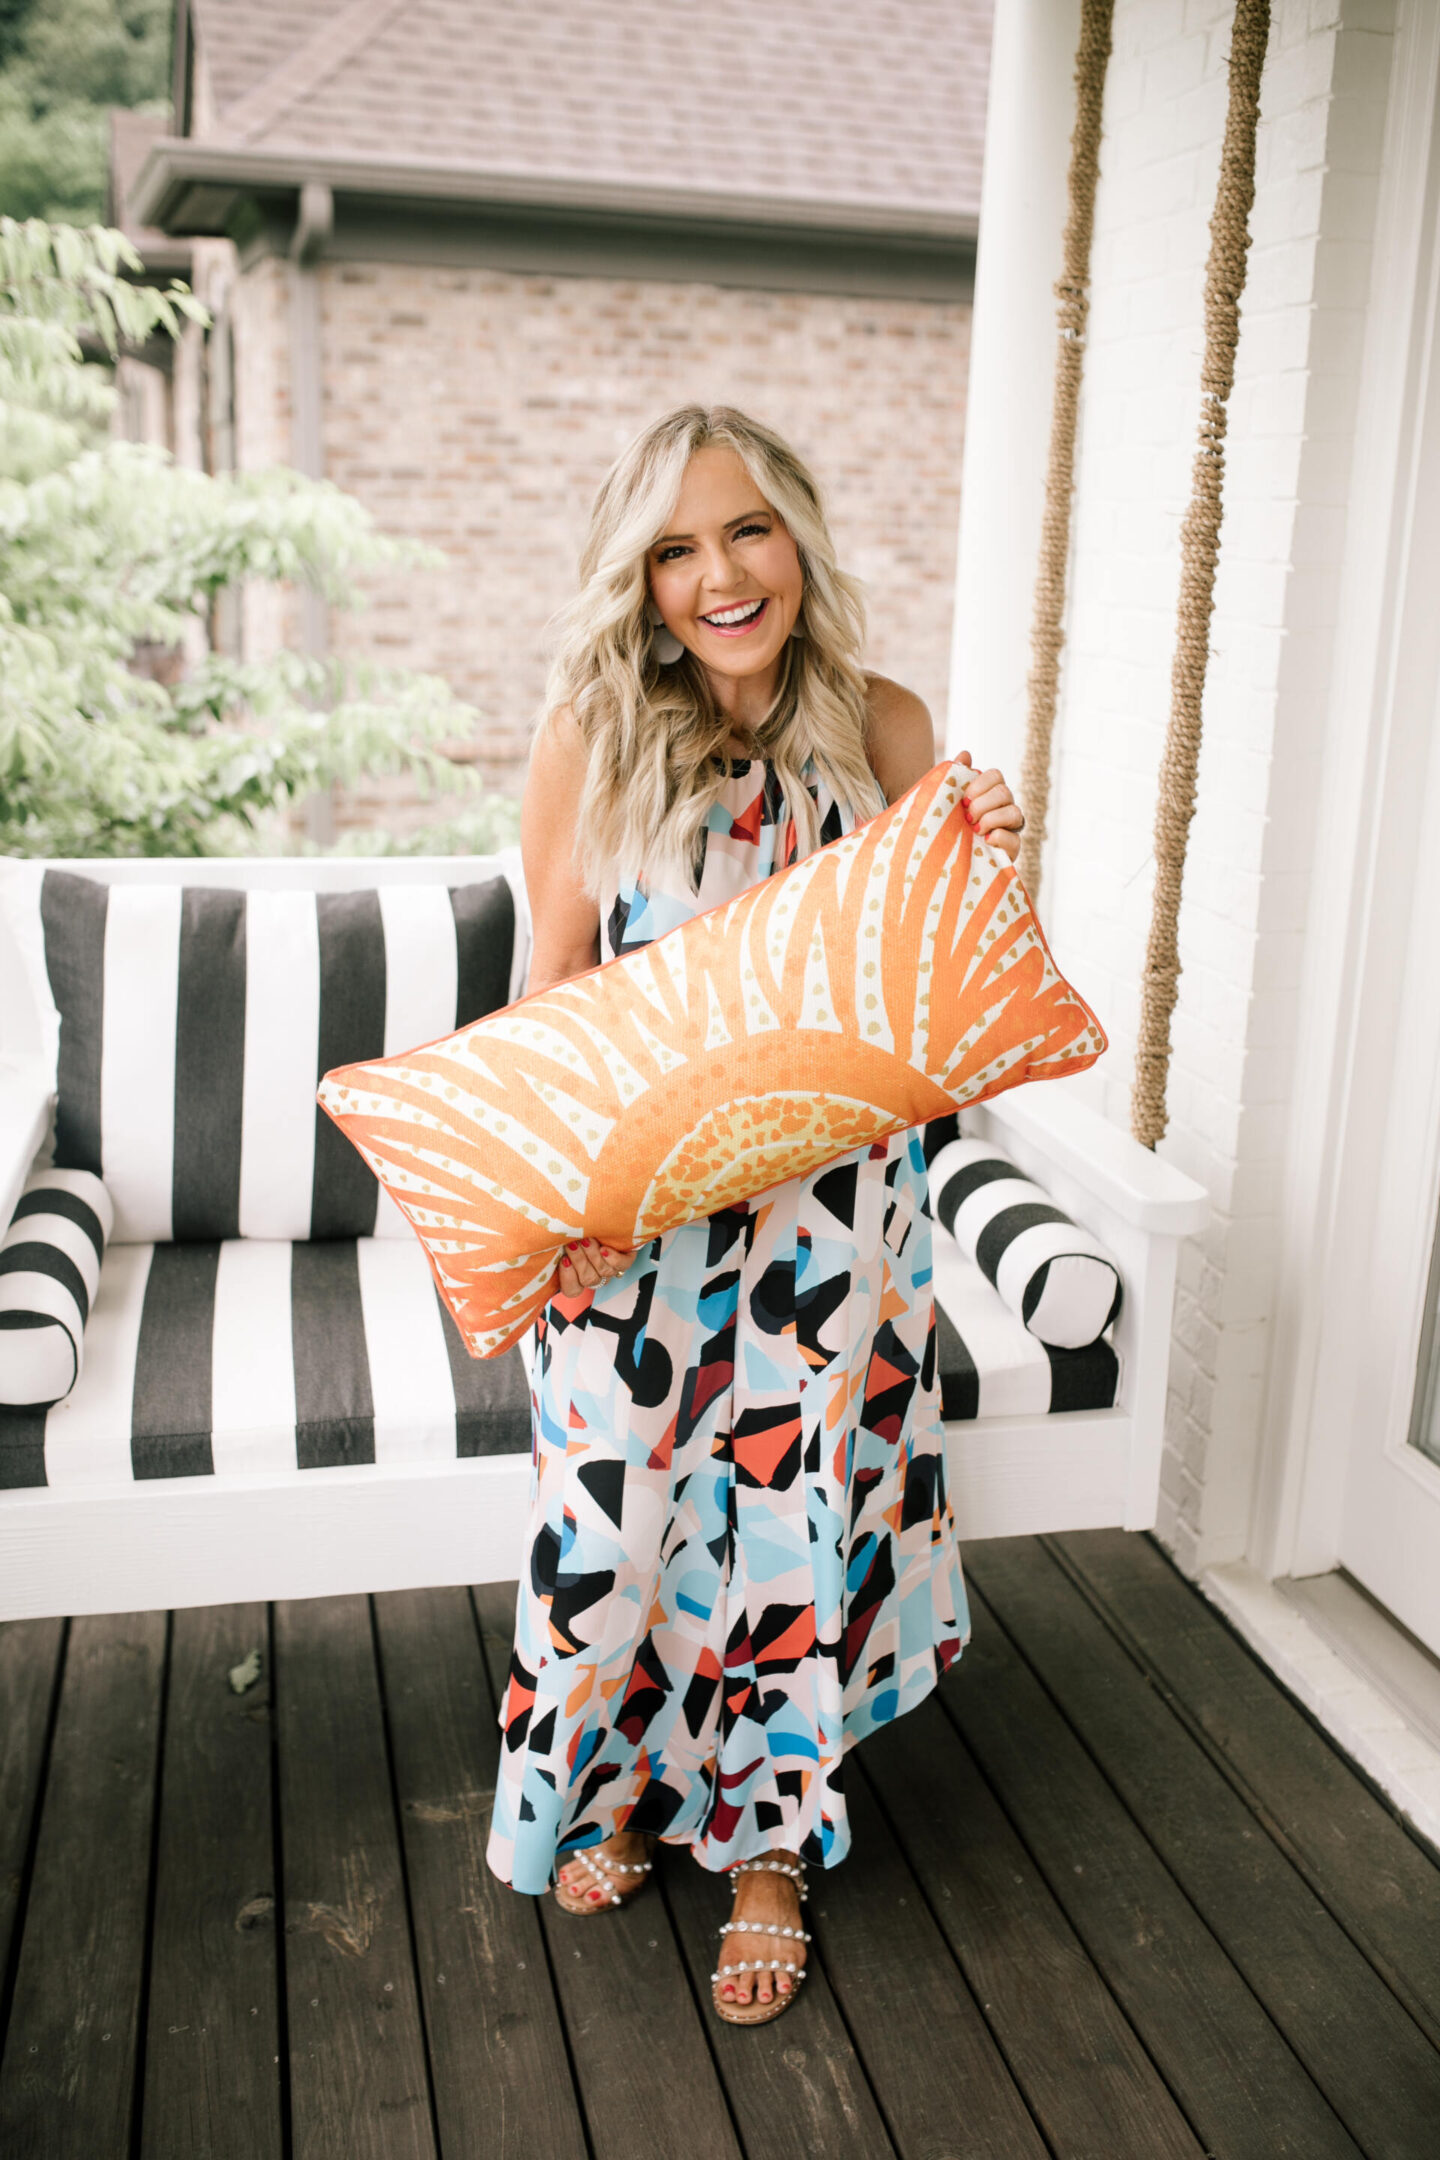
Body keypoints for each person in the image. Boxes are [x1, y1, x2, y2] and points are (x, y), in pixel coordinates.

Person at [485, 405, 1023, 2026]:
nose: (720, 574)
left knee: (786, 1534)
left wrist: (993, 859)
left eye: (747, 531)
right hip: (637, 1217)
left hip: (832, 1219)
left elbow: (952, 1002)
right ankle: (629, 1784)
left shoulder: (888, 723)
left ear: (799, 536)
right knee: (616, 1526)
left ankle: (769, 1851)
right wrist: (554, 1207)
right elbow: (552, 993)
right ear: (640, 580)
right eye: (675, 547)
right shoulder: (593, 730)